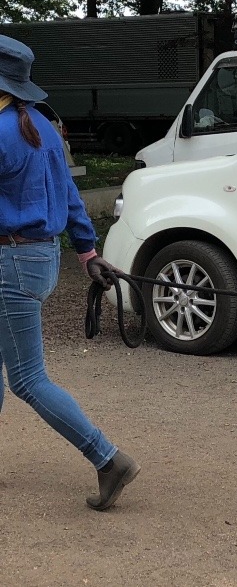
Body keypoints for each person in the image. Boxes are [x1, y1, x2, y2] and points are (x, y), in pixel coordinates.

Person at [0, 34, 140, 511]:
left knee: (26, 378)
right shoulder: (42, 125)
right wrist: (87, 253)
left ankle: (108, 459)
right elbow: (72, 199)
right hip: (38, 261)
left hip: (9, 263)